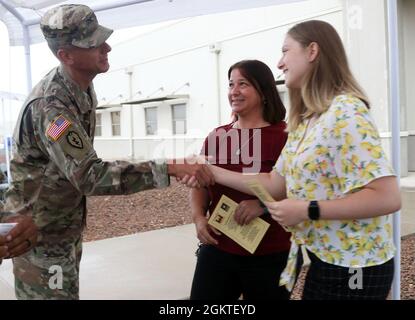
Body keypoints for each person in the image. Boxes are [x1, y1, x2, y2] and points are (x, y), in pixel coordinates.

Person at [3, 4, 213, 300]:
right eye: (93, 43)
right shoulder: (52, 107)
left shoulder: (80, 88)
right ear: (66, 55)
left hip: (59, 226)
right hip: (40, 236)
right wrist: (170, 167)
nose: (107, 47)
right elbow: (89, 175)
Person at [183, 20, 401, 300]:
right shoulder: (308, 119)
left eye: (286, 51)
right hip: (321, 258)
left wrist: (306, 209)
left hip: (354, 267)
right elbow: (275, 183)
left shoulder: (346, 110)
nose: (280, 62)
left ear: (312, 51)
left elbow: (388, 197)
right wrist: (209, 171)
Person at [190, 60, 291, 300]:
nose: (234, 91)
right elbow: (200, 185)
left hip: (269, 252)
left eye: (242, 84)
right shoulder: (217, 136)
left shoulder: (285, 136)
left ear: (263, 90)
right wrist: (198, 218)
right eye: (230, 84)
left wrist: (263, 205)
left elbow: (299, 188)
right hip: (217, 247)